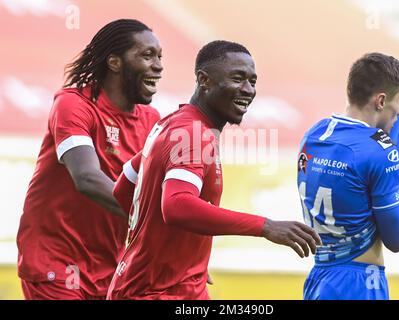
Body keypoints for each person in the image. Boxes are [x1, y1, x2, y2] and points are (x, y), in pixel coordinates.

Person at [107, 40, 322, 300]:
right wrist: (265, 227)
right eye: (237, 78)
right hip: (158, 293)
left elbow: (123, 188)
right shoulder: (193, 133)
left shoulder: (171, 125)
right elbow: (176, 205)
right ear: (204, 80)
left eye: (252, 81)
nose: (248, 90)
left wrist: (184, 259)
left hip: (169, 286)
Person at [16, 19, 163, 300]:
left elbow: (159, 195)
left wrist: (176, 248)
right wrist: (151, 221)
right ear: (115, 62)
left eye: (159, 57)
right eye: (147, 55)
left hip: (113, 268)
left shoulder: (153, 122)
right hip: (56, 263)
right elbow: (86, 178)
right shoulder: (74, 104)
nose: (158, 65)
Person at [297, 52, 399, 300]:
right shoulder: (378, 152)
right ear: (381, 101)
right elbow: (398, 238)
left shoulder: (314, 135)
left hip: (319, 277)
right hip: (359, 283)